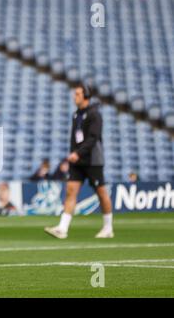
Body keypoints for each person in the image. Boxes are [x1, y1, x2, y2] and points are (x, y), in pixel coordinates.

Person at [44, 83, 114, 239]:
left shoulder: (95, 114)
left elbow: (93, 138)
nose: (74, 96)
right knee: (70, 190)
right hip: (77, 161)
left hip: (93, 160)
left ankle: (108, 227)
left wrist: (78, 153)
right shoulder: (76, 114)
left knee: (101, 193)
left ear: (86, 96)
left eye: (77, 94)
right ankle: (62, 228)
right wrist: (73, 154)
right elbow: (74, 138)